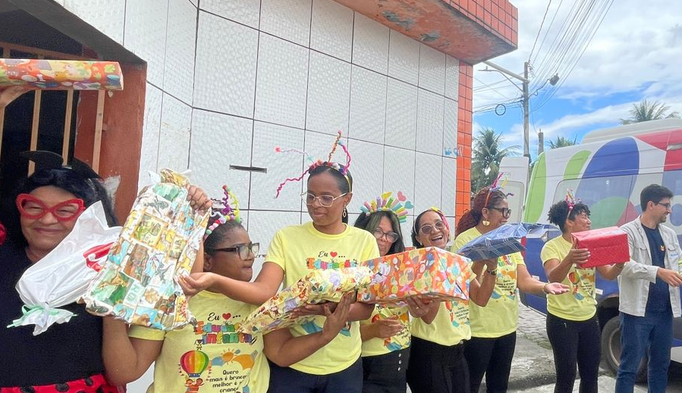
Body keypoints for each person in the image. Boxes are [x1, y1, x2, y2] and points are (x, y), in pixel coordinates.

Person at [0, 87, 210, 392]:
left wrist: (190, 217)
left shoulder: (121, 269)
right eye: (33, 207)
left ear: (91, 217)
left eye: (66, 211)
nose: (46, 219)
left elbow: (181, 280)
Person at [187, 159, 377, 392]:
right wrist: (214, 280)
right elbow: (264, 291)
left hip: (344, 366)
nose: (316, 204)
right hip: (294, 362)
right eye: (310, 196)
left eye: (326, 198)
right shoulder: (286, 237)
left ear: (346, 199)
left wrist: (321, 309)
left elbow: (367, 307)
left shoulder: (364, 241)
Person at [103, 192, 269, 393]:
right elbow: (125, 372)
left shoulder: (260, 300)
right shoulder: (170, 300)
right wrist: (110, 308)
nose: (251, 256)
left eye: (251, 248)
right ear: (207, 260)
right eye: (240, 249)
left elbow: (283, 354)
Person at [451, 187, 570, 393]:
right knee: (467, 386)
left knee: (499, 386)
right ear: (486, 213)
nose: (507, 217)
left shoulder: (509, 240)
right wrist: (484, 262)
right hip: (477, 331)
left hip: (506, 329)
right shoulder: (465, 240)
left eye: (508, 212)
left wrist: (545, 287)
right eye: (502, 211)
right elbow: (464, 282)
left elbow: (523, 281)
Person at [614, 184, 682, 393]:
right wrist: (658, 272)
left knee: (660, 365)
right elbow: (625, 266)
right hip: (637, 312)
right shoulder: (627, 232)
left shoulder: (668, 233)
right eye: (666, 205)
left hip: (664, 311)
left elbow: (679, 262)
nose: (669, 210)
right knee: (629, 368)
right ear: (651, 205)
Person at [540, 199, 625, 393]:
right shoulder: (552, 247)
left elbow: (609, 274)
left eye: (588, 217)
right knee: (566, 376)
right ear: (569, 222)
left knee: (590, 375)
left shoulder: (591, 244)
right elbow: (553, 277)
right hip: (562, 319)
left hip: (588, 318)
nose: (588, 221)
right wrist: (570, 257)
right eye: (584, 217)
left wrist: (620, 264)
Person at [406, 208, 492, 393]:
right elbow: (428, 317)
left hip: (458, 350)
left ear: (446, 228)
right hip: (428, 353)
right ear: (419, 238)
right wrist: (439, 272)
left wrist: (491, 268)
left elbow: (480, 298)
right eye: (427, 228)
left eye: (439, 224)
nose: (435, 231)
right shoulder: (417, 265)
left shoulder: (459, 262)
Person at [352, 206, 428, 393]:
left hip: (400, 364)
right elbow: (338, 333)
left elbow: (411, 312)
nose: (383, 239)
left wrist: (418, 311)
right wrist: (373, 330)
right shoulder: (352, 272)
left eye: (390, 234)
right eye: (378, 231)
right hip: (369, 368)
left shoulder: (400, 270)